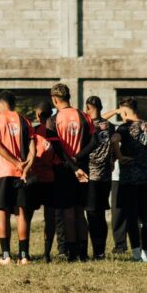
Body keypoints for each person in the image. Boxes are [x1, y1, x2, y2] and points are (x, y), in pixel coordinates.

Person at [110, 97, 147, 262]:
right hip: (146, 179)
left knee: (131, 216)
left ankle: (136, 252)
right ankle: (146, 252)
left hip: (128, 180)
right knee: (144, 216)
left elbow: (114, 140)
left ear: (124, 111)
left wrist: (120, 156)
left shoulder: (124, 128)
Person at [0, 91, 35, 266]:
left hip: (2, 172)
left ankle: (6, 255)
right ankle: (24, 256)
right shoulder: (25, 120)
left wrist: (15, 163)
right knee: (22, 212)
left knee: (3, 213)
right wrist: (25, 167)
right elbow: (33, 150)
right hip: (21, 174)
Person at [47, 84, 94, 260]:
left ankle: (72, 254)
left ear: (54, 99)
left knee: (68, 213)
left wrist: (72, 166)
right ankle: (84, 253)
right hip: (83, 167)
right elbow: (94, 142)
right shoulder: (84, 116)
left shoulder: (53, 120)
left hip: (64, 170)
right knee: (80, 211)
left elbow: (58, 149)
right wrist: (78, 158)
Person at [76, 97, 114, 259]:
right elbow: (113, 147)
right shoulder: (110, 126)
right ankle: (100, 251)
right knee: (101, 214)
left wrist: (75, 158)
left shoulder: (89, 126)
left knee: (91, 214)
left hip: (91, 173)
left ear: (88, 107)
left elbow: (88, 147)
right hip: (106, 175)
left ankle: (95, 250)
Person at [29, 101, 58, 262]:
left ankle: (25, 252)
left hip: (34, 179)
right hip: (50, 179)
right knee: (50, 218)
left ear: (38, 114)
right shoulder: (54, 134)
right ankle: (47, 253)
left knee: (27, 216)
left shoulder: (33, 132)